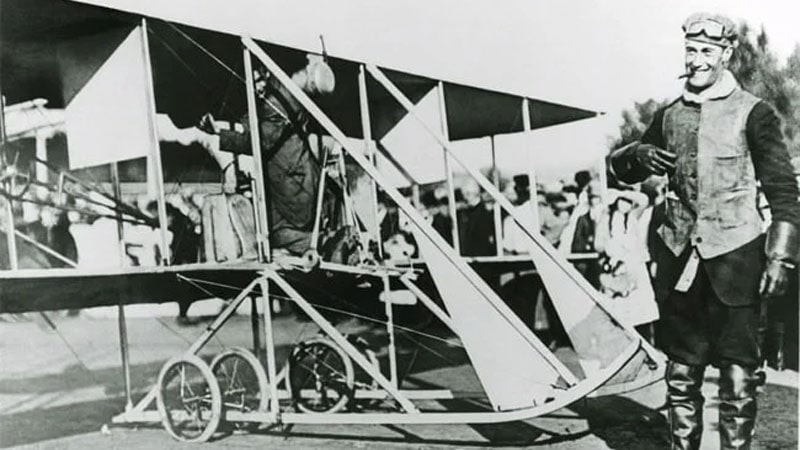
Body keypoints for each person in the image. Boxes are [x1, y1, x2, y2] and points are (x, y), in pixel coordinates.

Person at [607, 13, 800, 450]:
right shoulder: (669, 114)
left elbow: (784, 193)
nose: (696, 60)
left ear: (726, 54)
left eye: (706, 52)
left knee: (738, 372)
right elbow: (620, 171)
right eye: (691, 51)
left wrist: (781, 258)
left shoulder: (755, 113)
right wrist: (636, 153)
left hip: (736, 259)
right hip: (677, 263)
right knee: (680, 370)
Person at [200, 53, 336, 256]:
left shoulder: (278, 102)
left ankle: (327, 243)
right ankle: (326, 243)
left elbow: (259, 141)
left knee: (275, 234)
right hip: (300, 180)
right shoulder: (284, 95)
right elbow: (256, 123)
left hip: (292, 187)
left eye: (257, 75)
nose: (254, 81)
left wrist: (218, 134)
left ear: (266, 72)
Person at [457, 179, 495, 256]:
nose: (465, 197)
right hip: (468, 255)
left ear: (476, 193)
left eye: (468, 194)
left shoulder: (486, 212)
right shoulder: (464, 212)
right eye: (464, 194)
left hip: (484, 255)